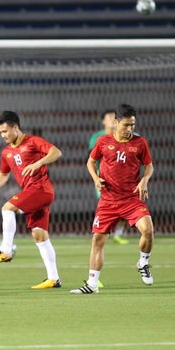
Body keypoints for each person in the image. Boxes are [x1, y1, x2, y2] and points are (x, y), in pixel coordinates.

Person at [70, 103, 154, 294]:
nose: (129, 129)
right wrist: (95, 178)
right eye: (126, 125)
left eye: (132, 125)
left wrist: (144, 180)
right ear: (116, 123)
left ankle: (143, 262)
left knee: (148, 230)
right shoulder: (102, 141)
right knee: (98, 241)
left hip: (131, 199)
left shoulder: (140, 143)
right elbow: (90, 162)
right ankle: (92, 285)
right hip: (108, 201)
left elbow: (149, 166)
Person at [0, 111, 63, 290]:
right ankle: (53, 278)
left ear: (16, 127)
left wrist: (38, 163)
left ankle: (6, 250)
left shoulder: (33, 142)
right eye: (0, 133)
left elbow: (56, 152)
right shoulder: (6, 152)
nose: (3, 135)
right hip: (32, 192)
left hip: (41, 189)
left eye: (6, 131)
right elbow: (4, 174)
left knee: (7, 208)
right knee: (39, 235)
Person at [89, 109, 129, 245]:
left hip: (123, 180)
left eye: (114, 116)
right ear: (103, 121)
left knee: (125, 207)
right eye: (109, 116)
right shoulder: (98, 138)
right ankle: (100, 230)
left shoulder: (127, 136)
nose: (113, 118)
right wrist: (96, 177)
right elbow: (91, 159)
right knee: (107, 206)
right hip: (104, 180)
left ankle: (118, 233)